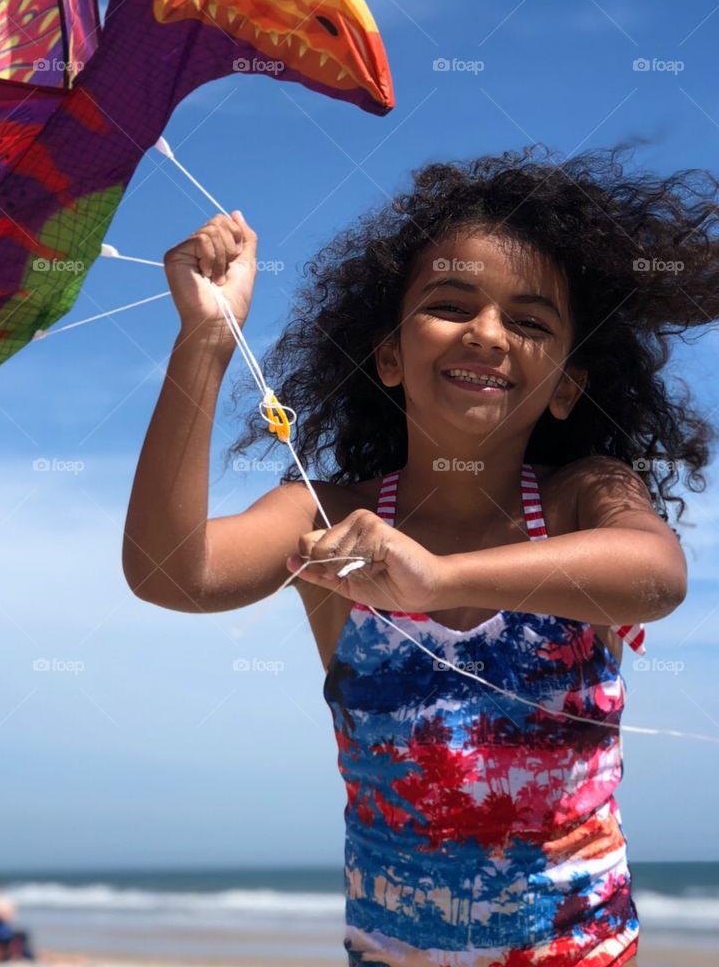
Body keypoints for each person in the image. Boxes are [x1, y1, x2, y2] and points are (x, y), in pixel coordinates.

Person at [123, 144, 716, 964]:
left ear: (568, 385)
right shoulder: (329, 514)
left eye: (531, 320)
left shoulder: (586, 496)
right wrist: (207, 342)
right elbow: (169, 572)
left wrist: (440, 577)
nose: (487, 333)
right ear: (390, 355)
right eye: (450, 303)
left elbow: (657, 577)